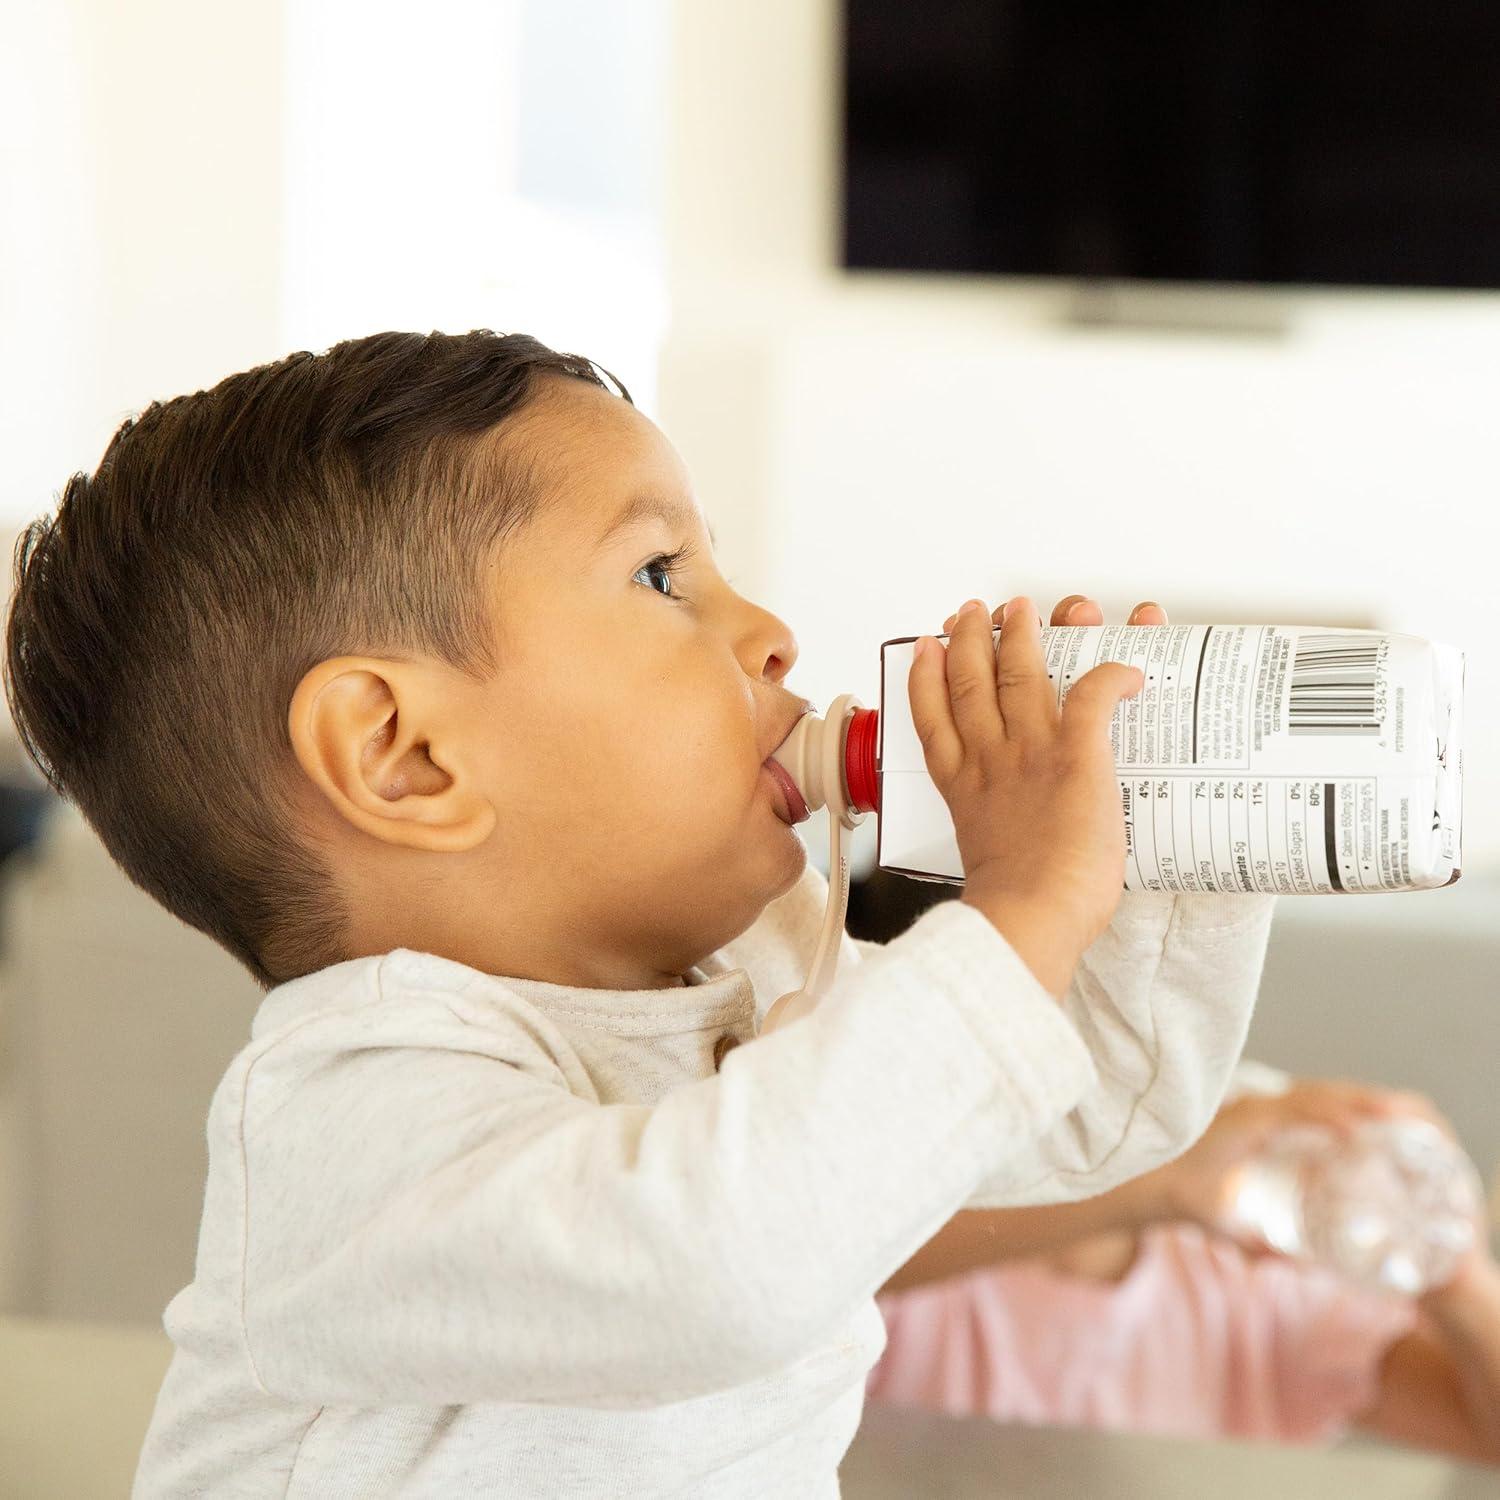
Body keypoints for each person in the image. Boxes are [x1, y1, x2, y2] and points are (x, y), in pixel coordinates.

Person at [2, 330, 1274, 1498]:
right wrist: (1022, 903)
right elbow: (723, 1259)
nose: (772, 635)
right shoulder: (347, 1112)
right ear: (406, 755)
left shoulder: (748, 975)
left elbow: (1098, 1105)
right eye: (663, 574)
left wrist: (1170, 852)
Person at [869, 1076, 1500, 1466]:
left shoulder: (1261, 1287)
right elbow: (835, 1274)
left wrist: (1459, 1282)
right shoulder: (916, 1243)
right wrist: (1159, 1186)